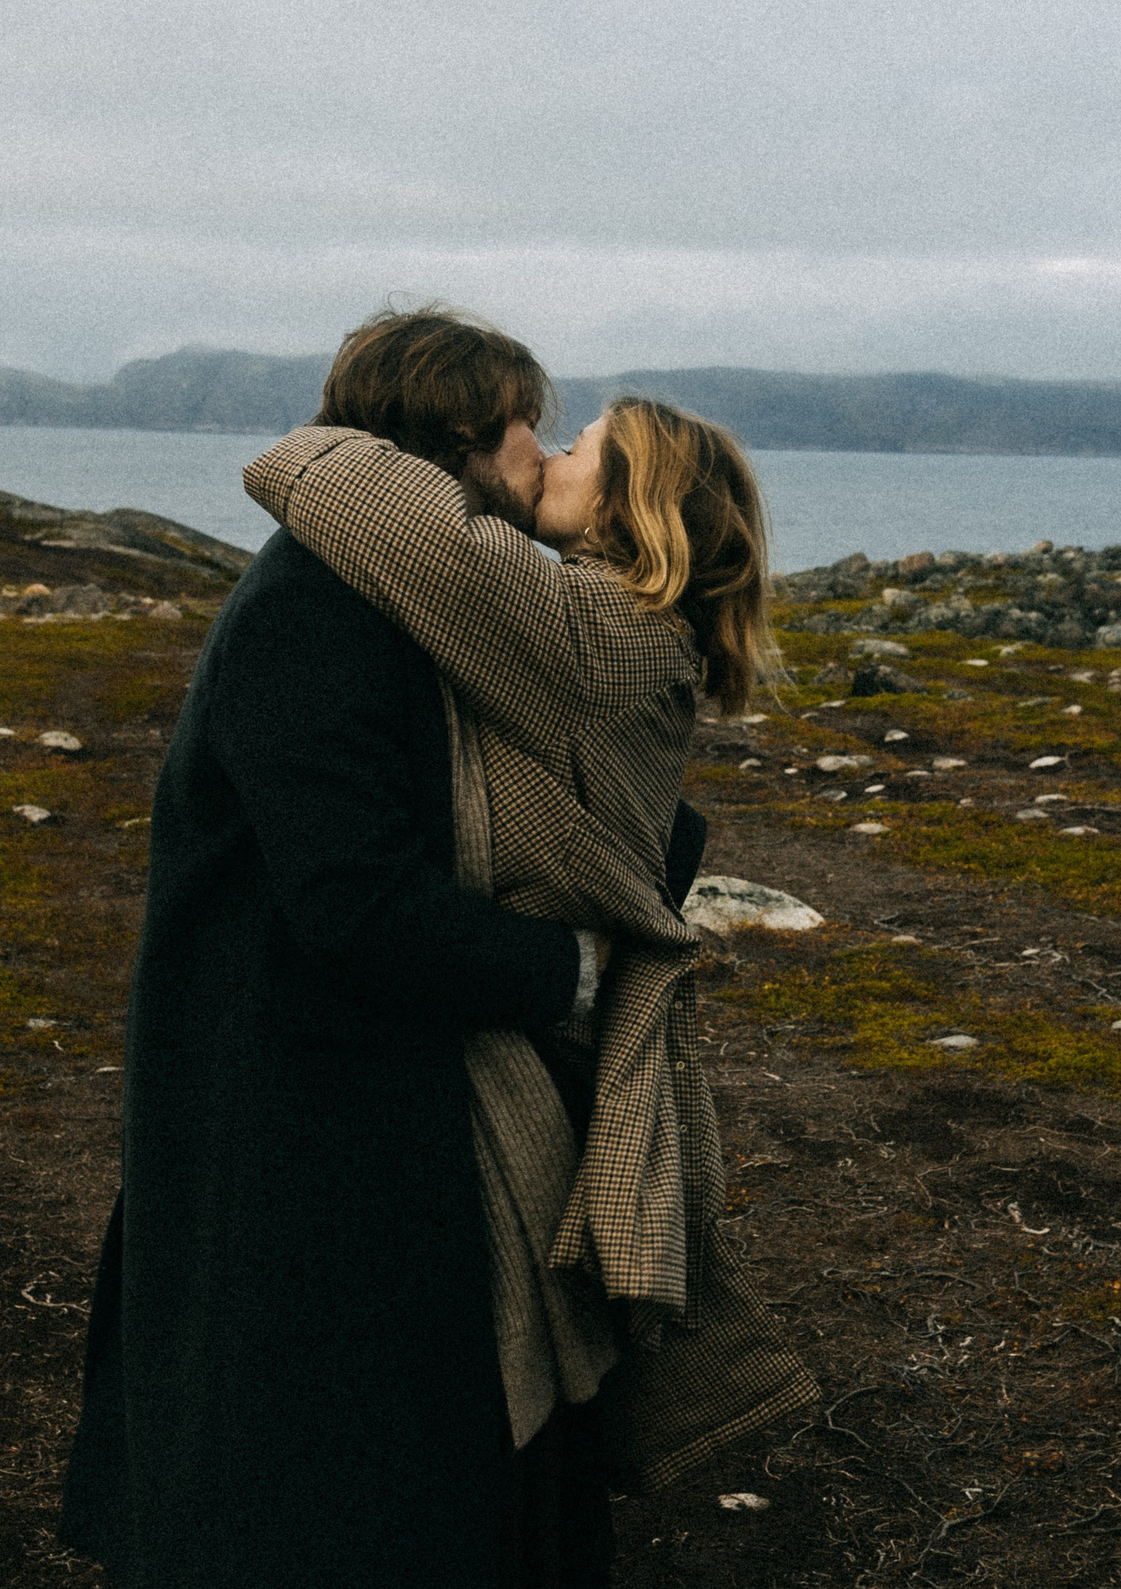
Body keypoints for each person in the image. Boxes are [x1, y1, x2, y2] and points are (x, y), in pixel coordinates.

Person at [57, 310, 631, 1585]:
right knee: (308, 1447)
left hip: (337, 1080)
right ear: (468, 431)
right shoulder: (316, 607)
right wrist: (572, 971)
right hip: (291, 1091)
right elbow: (352, 904)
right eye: (532, 421)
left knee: (355, 1432)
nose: (543, 449)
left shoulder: (392, 591)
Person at [244, 370, 820, 1583]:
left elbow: (322, 481)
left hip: (534, 1017)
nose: (545, 455)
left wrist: (374, 428)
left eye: (579, 448)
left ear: (627, 509)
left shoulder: (593, 638)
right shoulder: (606, 636)